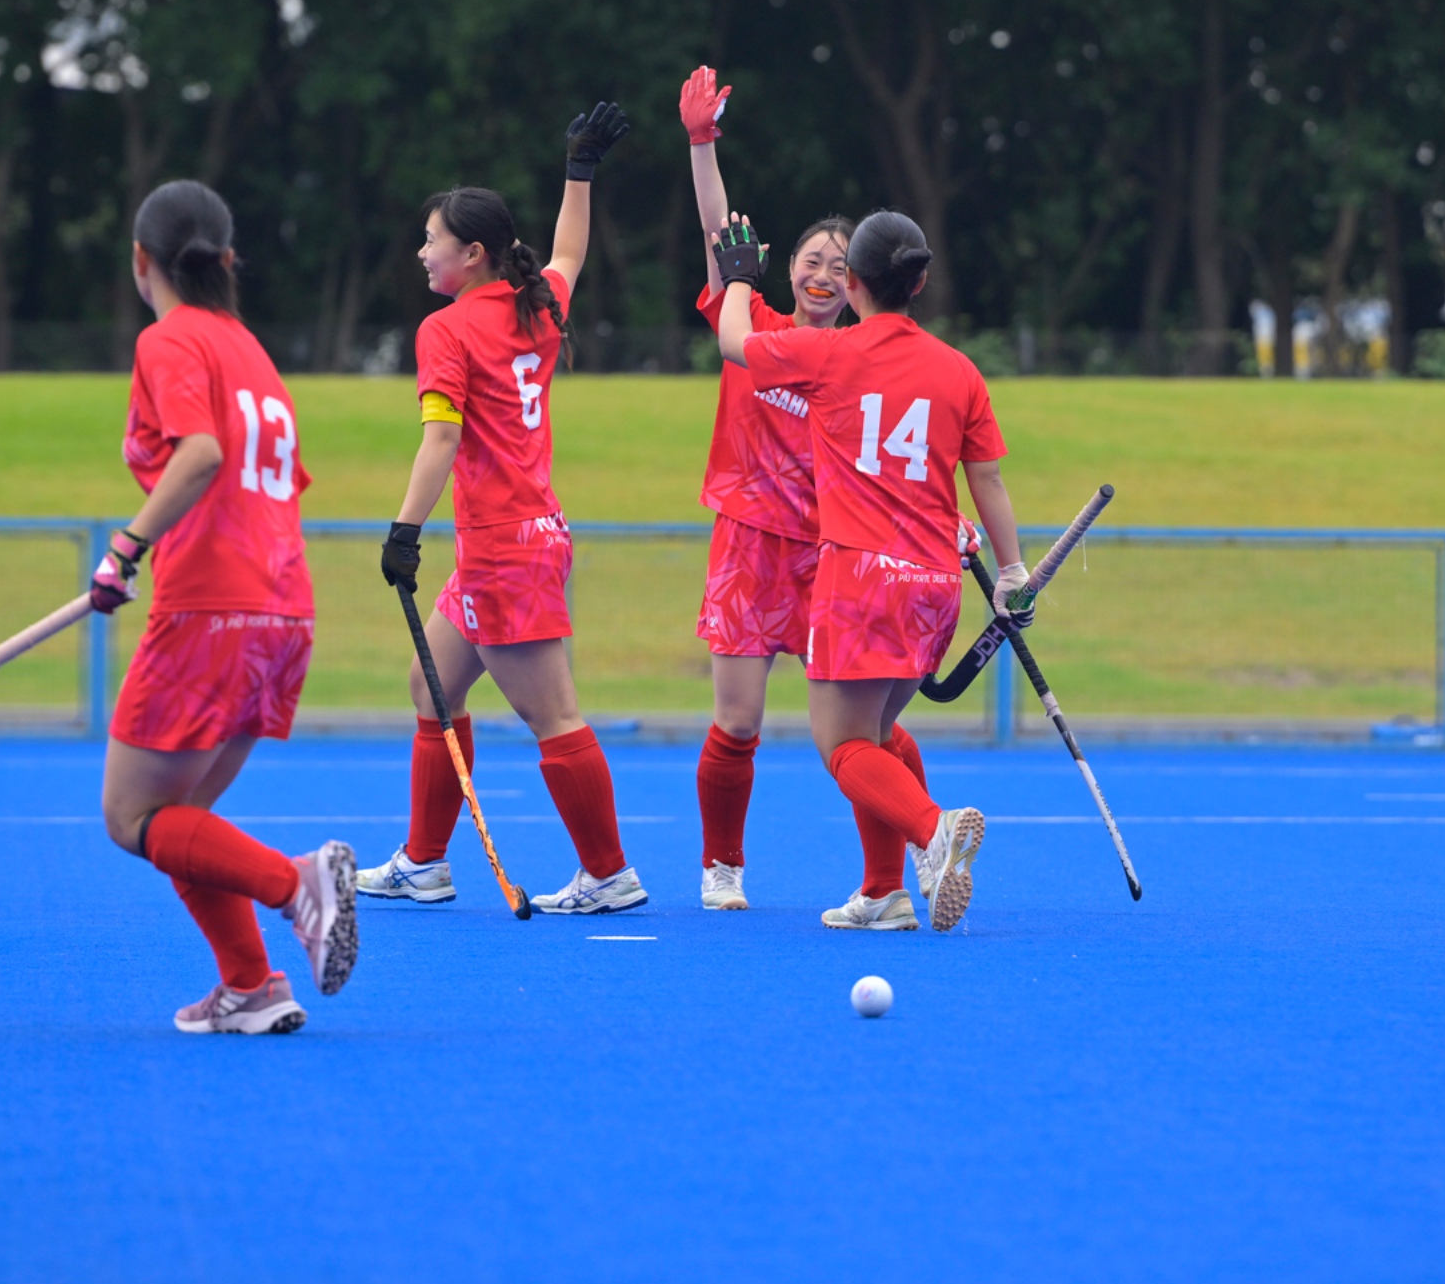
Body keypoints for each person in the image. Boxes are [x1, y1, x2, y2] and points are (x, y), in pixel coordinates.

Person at [355, 103, 649, 916]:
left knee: (554, 717)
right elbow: (569, 252)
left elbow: (441, 441)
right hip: (525, 536)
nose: (422, 252)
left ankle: (609, 873)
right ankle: (424, 863)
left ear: (472, 253)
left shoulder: (446, 329)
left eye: (432, 240)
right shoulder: (536, 302)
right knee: (431, 688)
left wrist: (404, 531)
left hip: (502, 546)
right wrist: (579, 172)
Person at [94, 180, 356, 1035]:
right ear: (228, 259)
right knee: (182, 821)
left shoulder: (170, 340)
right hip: (283, 610)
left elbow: (201, 453)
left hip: (212, 608)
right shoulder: (251, 350)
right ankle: (250, 986)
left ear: (142, 260)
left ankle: (296, 885)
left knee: (131, 817)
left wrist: (126, 547)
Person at [714, 208, 1022, 929]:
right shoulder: (960, 369)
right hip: (935, 585)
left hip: (860, 580)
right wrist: (1011, 575)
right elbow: (987, 481)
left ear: (851, 282)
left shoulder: (828, 351)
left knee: (844, 744)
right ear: (918, 283)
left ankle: (933, 828)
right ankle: (884, 894)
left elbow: (733, 342)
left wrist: (739, 279)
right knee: (877, 735)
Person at [679, 64, 856, 910]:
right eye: (812, 259)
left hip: (831, 554)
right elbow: (717, 231)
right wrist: (701, 143)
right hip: (748, 542)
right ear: (785, 269)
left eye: (840, 266)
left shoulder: (861, 359)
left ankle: (908, 856)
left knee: (858, 728)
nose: (823, 273)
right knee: (738, 721)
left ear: (859, 284)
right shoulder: (751, 321)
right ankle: (722, 867)